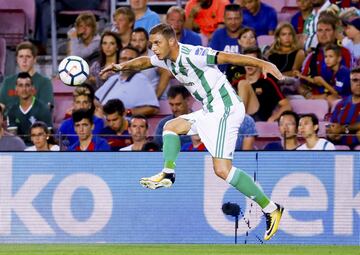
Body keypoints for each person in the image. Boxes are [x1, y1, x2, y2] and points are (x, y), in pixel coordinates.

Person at [100, 23, 284, 241]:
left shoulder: (193, 54)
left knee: (223, 170)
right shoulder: (165, 57)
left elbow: (228, 58)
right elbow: (144, 62)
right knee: (171, 127)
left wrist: (263, 63)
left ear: (171, 41)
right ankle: (168, 173)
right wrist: (121, 66)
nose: (154, 48)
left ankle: (271, 208)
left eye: (157, 43)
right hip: (209, 110)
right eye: (152, 44)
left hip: (226, 108)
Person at [95, 46, 159, 116]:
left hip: (125, 123)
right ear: (119, 60)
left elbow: (153, 108)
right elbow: (96, 99)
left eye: (131, 59)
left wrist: (128, 112)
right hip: (104, 120)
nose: (127, 62)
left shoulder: (141, 79)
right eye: (123, 58)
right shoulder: (114, 78)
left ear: (136, 62)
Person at [237, 47, 291, 120]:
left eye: (252, 61)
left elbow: (286, 105)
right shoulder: (236, 82)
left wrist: (272, 119)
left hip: (259, 119)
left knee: (243, 84)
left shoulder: (267, 81)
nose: (249, 64)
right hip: (241, 117)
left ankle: (238, 122)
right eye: (246, 61)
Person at [0, 41, 54, 111]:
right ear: (17, 59)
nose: (24, 60)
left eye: (28, 57)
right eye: (21, 56)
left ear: (34, 59)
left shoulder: (44, 82)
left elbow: (45, 110)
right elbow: (1, 106)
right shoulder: (8, 82)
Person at [7, 72, 53, 145]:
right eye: (20, 85)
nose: (24, 89)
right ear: (16, 88)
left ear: (32, 88)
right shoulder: (12, 111)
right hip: (20, 149)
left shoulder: (43, 109)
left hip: (39, 149)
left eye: (27, 85)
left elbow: (49, 137)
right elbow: (13, 138)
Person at [130, 28, 173, 99]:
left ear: (148, 42)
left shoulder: (155, 56)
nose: (137, 44)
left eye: (141, 40)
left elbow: (166, 74)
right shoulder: (129, 57)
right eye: (134, 40)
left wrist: (154, 99)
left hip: (158, 102)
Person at [326, 66, 360, 149]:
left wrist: (342, 129)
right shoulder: (340, 104)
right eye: (355, 80)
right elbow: (332, 126)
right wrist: (332, 133)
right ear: (350, 82)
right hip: (339, 147)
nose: (359, 83)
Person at [210, 4, 243, 72]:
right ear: (224, 19)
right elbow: (211, 59)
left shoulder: (248, 34)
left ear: (241, 19)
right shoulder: (217, 35)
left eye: (236, 18)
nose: (233, 22)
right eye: (229, 19)